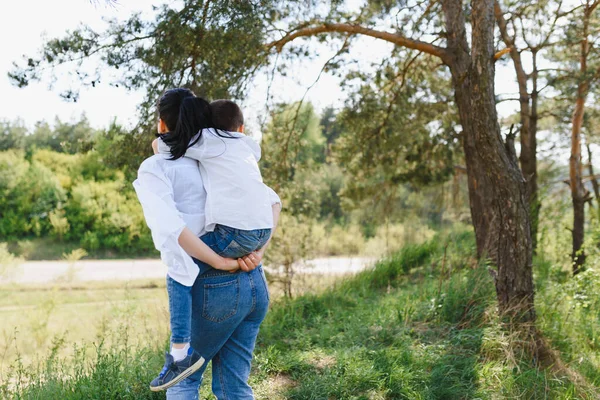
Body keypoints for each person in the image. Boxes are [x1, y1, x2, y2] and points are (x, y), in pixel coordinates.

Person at [134, 88, 280, 398]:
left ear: (162, 125)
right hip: (254, 282)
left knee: (185, 380)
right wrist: (256, 253)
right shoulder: (222, 157)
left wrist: (217, 261)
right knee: (233, 386)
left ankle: (178, 353)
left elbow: (173, 229)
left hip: (215, 286)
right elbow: (272, 202)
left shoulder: (156, 167)